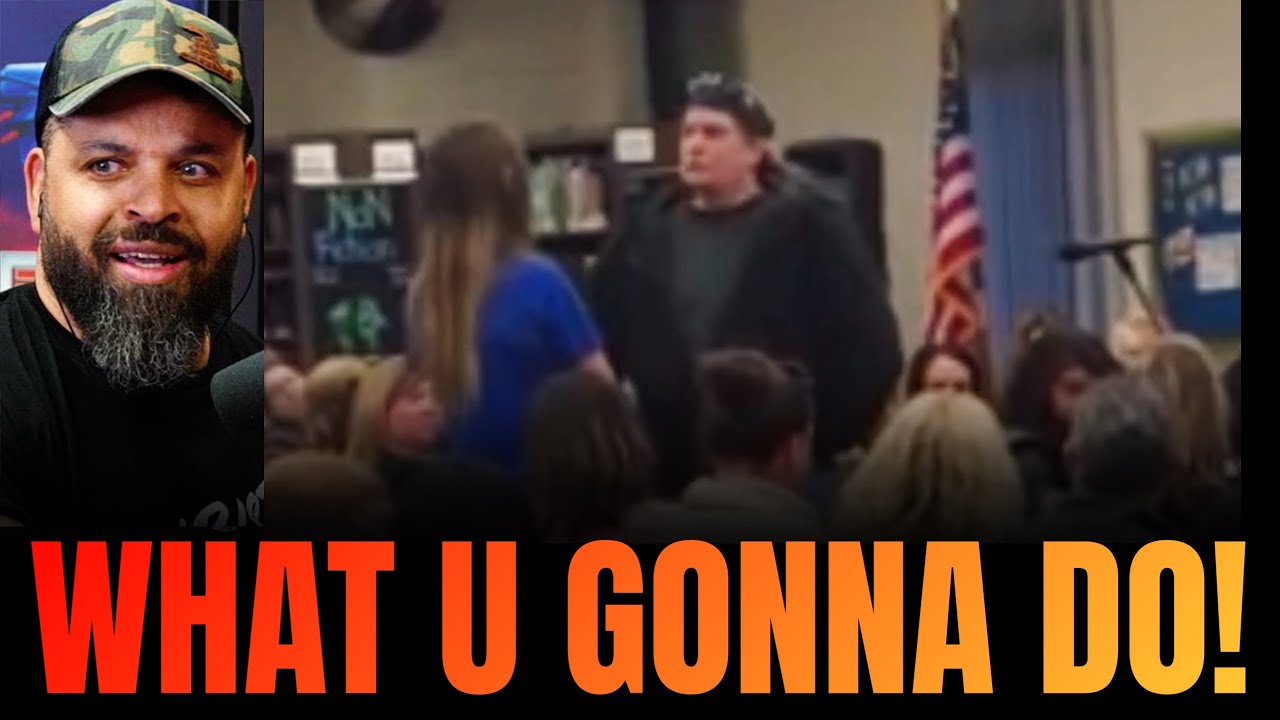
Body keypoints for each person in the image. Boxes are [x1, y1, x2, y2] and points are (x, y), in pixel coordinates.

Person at [0, 0, 261, 531]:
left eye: (195, 168)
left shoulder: (262, 381)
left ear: (245, 193)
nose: (153, 205)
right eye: (105, 164)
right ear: (38, 188)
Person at [593, 72, 901, 498]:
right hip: (668, 466)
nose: (695, 145)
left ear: (755, 150)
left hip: (778, 466)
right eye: (688, 132)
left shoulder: (811, 228)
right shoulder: (643, 232)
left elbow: (870, 345)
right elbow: (601, 333)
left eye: (714, 133)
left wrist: (816, 442)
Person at [406, 121, 613, 479]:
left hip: (455, 492)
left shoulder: (422, 296)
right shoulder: (540, 283)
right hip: (541, 491)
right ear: (510, 186)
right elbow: (602, 396)